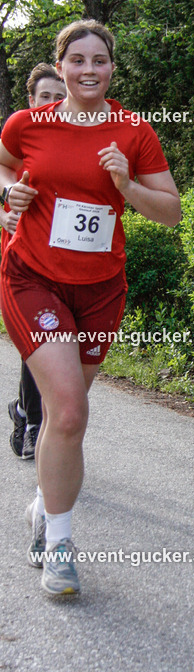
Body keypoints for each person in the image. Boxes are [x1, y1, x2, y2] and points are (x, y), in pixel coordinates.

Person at [0, 20, 181, 597]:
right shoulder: (27, 124)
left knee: (64, 417)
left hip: (101, 289)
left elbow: (171, 212)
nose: (88, 70)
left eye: (98, 60)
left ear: (111, 69)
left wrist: (127, 185)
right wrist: (7, 193)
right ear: (60, 66)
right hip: (33, 279)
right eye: (76, 60)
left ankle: (43, 504)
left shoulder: (134, 132)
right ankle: (59, 545)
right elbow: (1, 164)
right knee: (70, 411)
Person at [5, 64, 66, 459]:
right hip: (22, 253)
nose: (52, 104)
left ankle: (26, 410)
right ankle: (33, 422)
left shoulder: (78, 136)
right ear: (31, 100)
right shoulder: (21, 134)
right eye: (45, 96)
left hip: (65, 257)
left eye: (59, 97)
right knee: (40, 336)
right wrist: (3, 212)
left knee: (54, 342)